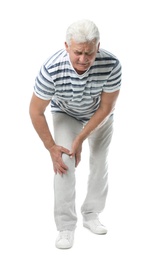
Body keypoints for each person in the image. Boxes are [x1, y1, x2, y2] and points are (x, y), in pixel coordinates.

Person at [29, 19, 122, 249]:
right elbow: (35, 110)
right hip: (66, 113)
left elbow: (106, 107)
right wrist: (51, 147)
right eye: (78, 52)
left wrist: (80, 139)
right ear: (67, 46)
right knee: (64, 163)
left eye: (89, 53)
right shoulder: (51, 68)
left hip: (99, 115)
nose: (83, 59)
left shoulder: (111, 64)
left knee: (100, 162)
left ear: (97, 47)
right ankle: (65, 227)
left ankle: (91, 214)